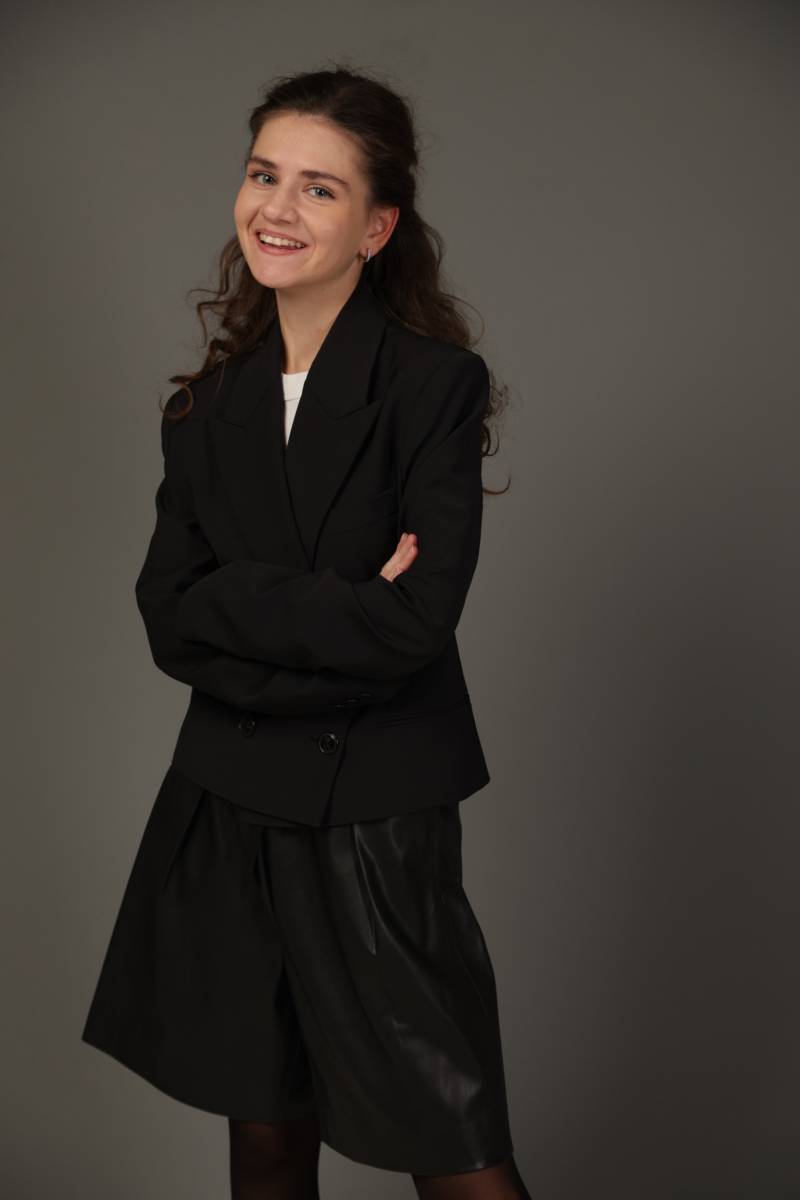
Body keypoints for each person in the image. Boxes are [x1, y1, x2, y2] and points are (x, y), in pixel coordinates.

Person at [81, 65, 531, 1199]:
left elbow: (412, 623)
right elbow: (168, 617)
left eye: (319, 189)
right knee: (266, 1143)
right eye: (262, 175)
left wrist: (248, 610)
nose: (276, 209)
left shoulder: (432, 385)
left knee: (454, 1147)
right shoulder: (203, 407)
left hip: (373, 816)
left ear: (376, 227)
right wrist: (342, 607)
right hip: (225, 806)